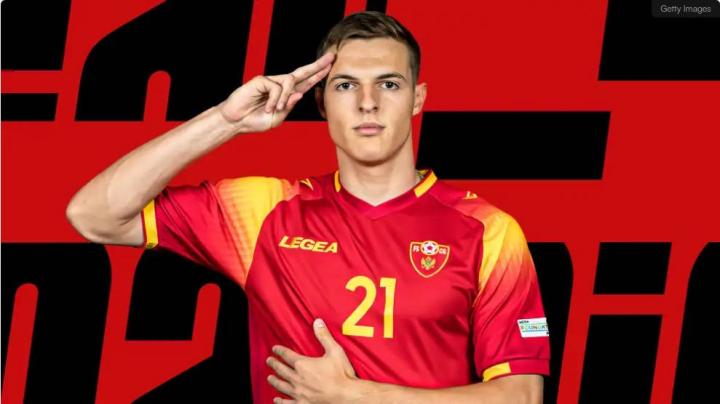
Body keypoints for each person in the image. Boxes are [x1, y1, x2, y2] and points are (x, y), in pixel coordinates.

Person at [66, 11, 550, 404]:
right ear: (321, 102)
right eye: (345, 86)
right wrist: (226, 121)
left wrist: (355, 396)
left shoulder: (488, 231)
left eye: (388, 84)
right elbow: (94, 215)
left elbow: (522, 396)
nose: (367, 103)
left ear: (417, 98)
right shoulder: (265, 212)